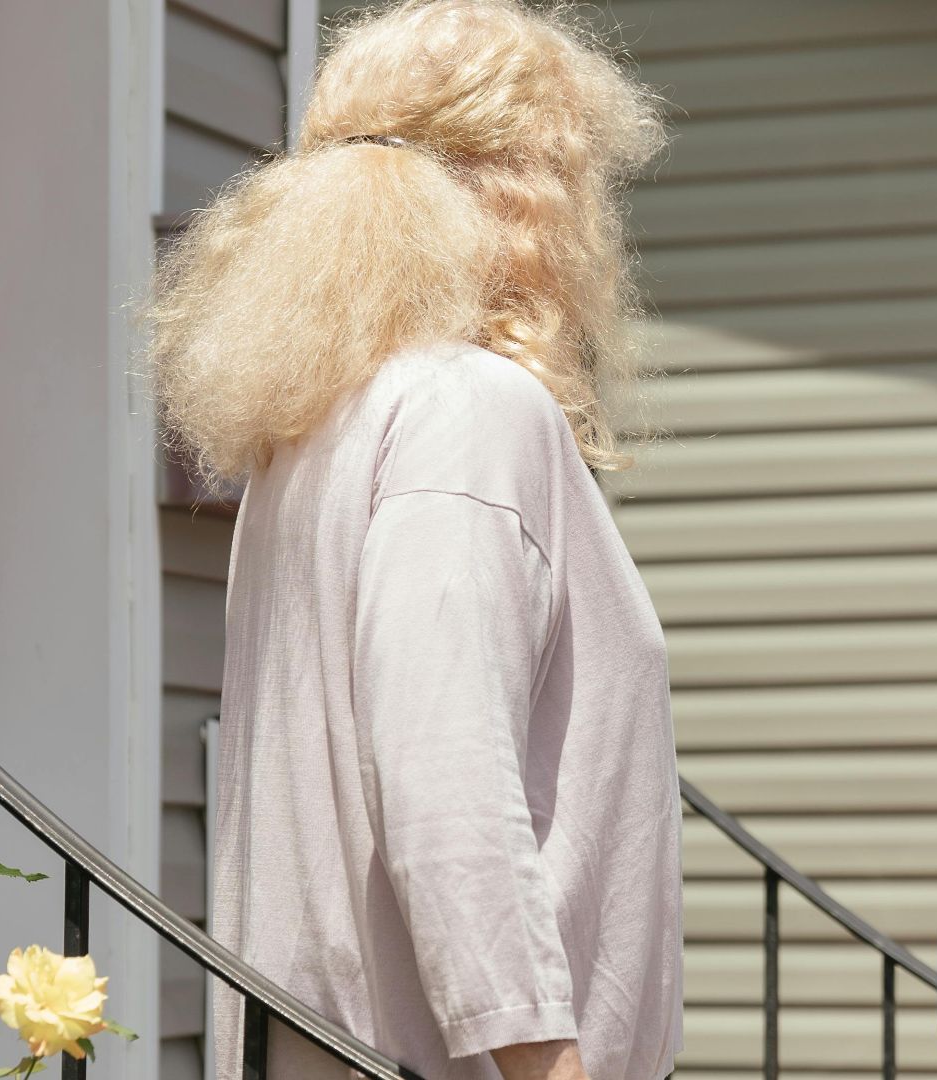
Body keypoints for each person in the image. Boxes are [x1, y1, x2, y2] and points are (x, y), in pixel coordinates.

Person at [145, 3, 679, 1078]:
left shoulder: (315, 440)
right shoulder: (468, 411)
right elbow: (448, 784)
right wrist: (547, 1065)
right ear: (532, 194)